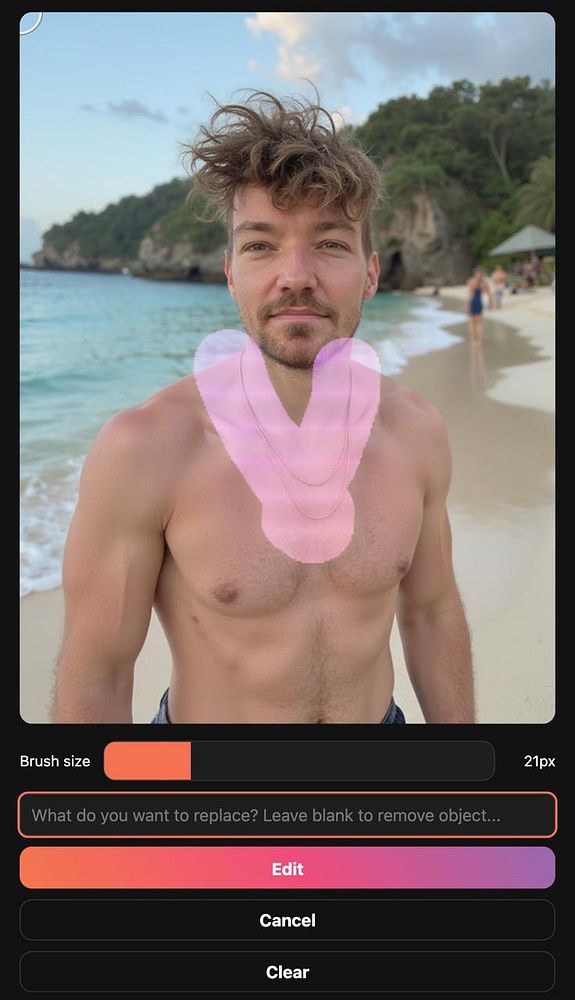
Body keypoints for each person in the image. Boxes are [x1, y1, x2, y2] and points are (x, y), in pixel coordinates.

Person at [52, 91, 474, 724]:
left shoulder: (418, 434)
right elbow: (98, 672)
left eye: (330, 243)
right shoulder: (146, 448)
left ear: (371, 273)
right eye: (261, 245)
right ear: (229, 273)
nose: (295, 274)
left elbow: (432, 612)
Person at [466, 267, 492, 342]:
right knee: (479, 322)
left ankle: (474, 339)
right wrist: (490, 303)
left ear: (475, 274)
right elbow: (489, 294)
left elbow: (469, 295)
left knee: (472, 322)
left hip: (473, 302)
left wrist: (467, 305)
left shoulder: (471, 281)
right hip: (479, 302)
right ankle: (479, 339)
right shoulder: (484, 283)